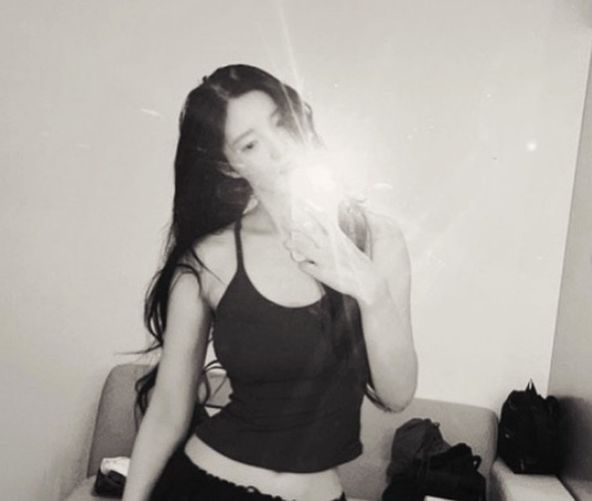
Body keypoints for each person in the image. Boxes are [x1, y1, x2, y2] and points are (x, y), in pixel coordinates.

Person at [122, 64, 418, 501]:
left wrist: (370, 291)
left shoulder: (379, 240)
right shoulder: (210, 258)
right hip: (208, 487)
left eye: (281, 123)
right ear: (230, 166)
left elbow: (397, 395)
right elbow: (168, 408)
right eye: (251, 143)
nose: (279, 148)